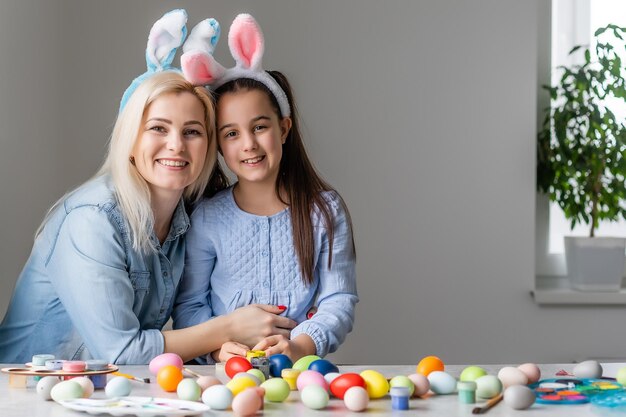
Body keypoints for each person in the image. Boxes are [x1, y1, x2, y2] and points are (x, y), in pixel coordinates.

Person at [0, 10, 295, 365]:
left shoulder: (187, 219)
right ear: (131, 138)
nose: (176, 145)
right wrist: (228, 328)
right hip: (27, 396)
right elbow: (122, 352)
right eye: (158, 128)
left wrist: (219, 349)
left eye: (192, 131)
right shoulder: (93, 220)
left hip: (107, 392)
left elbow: (176, 332)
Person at [173, 14, 358, 363]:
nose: (248, 144)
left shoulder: (325, 211)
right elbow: (190, 305)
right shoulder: (207, 217)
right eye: (231, 133)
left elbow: (339, 299)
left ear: (284, 129)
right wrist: (217, 348)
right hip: (229, 376)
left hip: (298, 374)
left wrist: (301, 345)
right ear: (219, 145)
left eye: (259, 127)